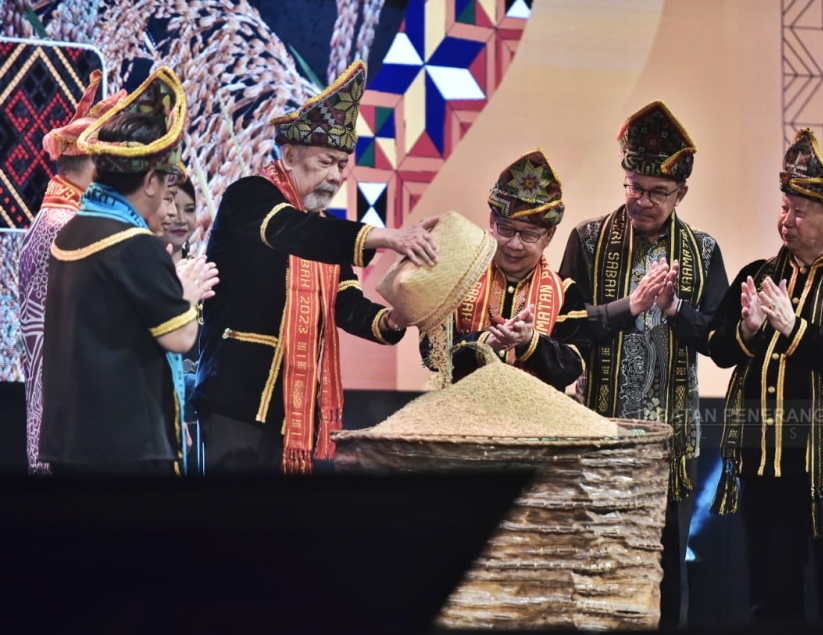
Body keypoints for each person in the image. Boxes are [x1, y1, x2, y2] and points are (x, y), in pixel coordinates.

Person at [192, 60, 438, 474]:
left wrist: (393, 319)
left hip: (296, 410)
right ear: (289, 155)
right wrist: (385, 236)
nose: (337, 176)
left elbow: (346, 303)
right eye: (327, 161)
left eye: (343, 165)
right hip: (237, 400)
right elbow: (288, 231)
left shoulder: (322, 230)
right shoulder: (249, 197)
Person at [559, 100, 729, 628]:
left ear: (682, 193)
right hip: (595, 432)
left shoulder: (702, 251)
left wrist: (676, 310)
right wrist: (626, 309)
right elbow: (562, 326)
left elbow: (720, 345)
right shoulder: (587, 240)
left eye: (657, 192)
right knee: (594, 569)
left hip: (669, 444)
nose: (642, 200)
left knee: (664, 573)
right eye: (633, 186)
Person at [708, 128, 823, 622]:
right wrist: (749, 327)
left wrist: (794, 329)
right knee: (771, 595)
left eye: (800, 212)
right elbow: (718, 351)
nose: (787, 220)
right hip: (766, 465)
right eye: (785, 207)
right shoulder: (756, 272)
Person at [38, 66, 218, 476]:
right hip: (126, 448)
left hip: (70, 444)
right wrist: (186, 291)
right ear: (151, 182)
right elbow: (181, 335)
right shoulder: (134, 244)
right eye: (169, 193)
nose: (170, 207)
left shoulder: (70, 233)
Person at [16, 70, 125, 475]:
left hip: (53, 418)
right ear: (97, 163)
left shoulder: (49, 220)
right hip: (73, 423)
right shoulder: (68, 226)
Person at [422, 149, 588, 390]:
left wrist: (528, 341)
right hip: (461, 418)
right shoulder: (458, 276)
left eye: (528, 235)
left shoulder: (565, 292)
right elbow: (430, 353)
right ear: (492, 222)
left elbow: (572, 367)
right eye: (506, 229)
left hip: (535, 423)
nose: (514, 244)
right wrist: (486, 342)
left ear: (549, 236)